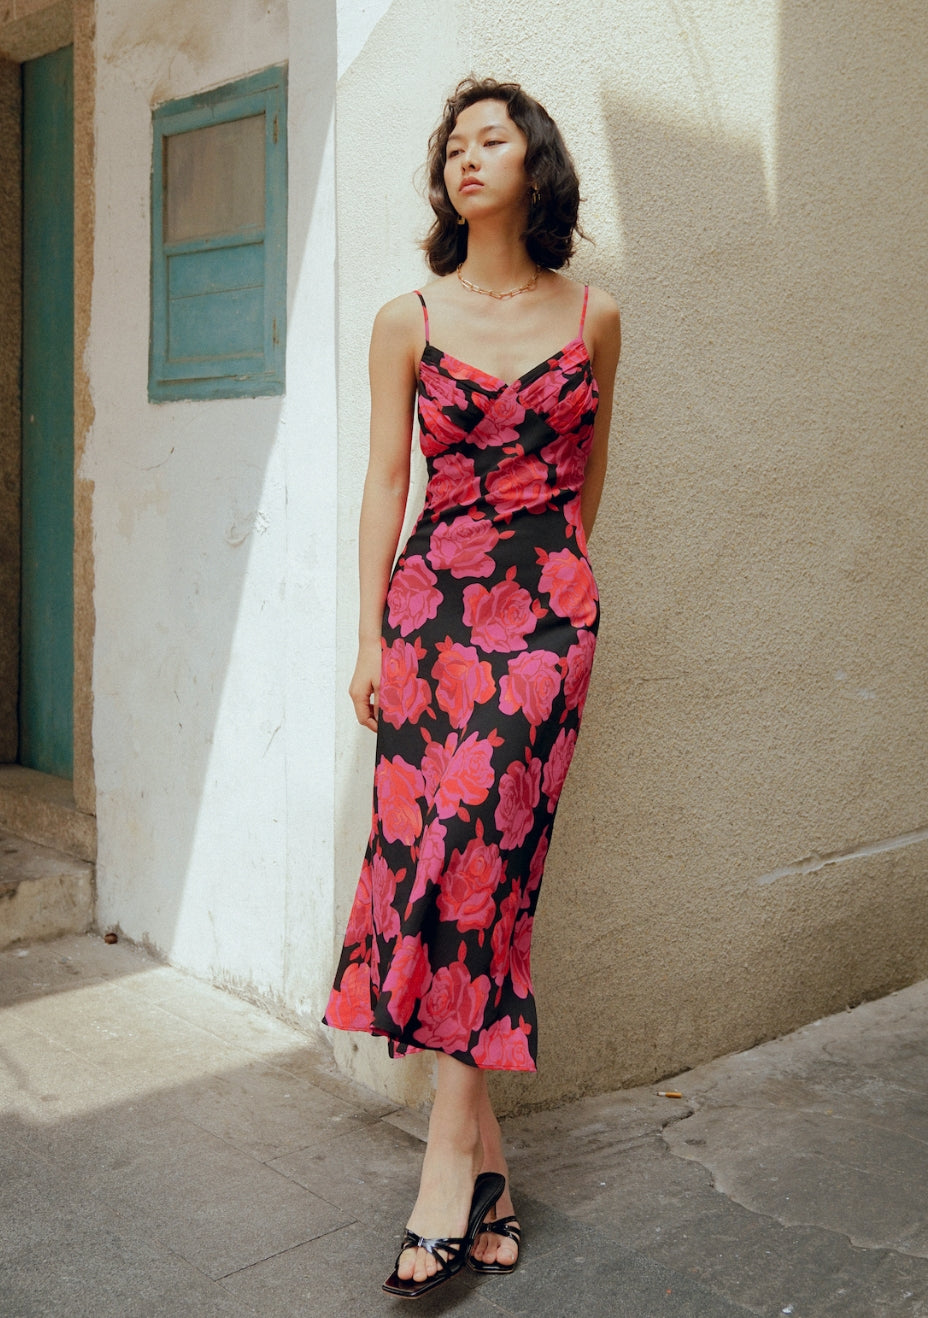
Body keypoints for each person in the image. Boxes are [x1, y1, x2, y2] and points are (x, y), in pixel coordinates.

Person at [325, 75, 621, 1298]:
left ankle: (444, 1165)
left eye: (490, 138)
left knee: (481, 859)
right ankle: (485, 1172)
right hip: (427, 620)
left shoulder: (596, 316)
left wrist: (560, 592)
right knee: (453, 869)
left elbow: (589, 480)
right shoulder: (410, 316)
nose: (466, 157)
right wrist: (367, 641)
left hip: (545, 622)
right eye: (451, 144)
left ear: (533, 161)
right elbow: (385, 484)